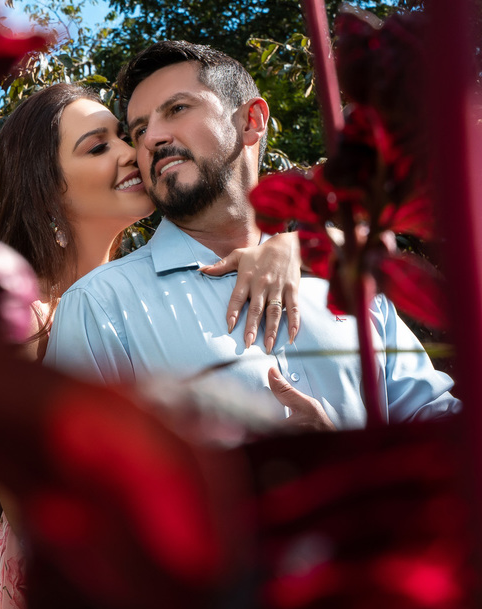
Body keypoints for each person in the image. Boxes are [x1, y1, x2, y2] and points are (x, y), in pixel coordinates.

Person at [0, 80, 314, 609]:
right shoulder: (18, 323)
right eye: (98, 146)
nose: (133, 153)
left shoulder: (162, 286)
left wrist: (283, 246)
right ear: (48, 190)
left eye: (124, 136)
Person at [44, 41, 460, 426]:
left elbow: (439, 425)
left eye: (177, 109)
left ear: (251, 121)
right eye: (138, 130)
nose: (151, 139)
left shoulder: (346, 274)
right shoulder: (100, 307)